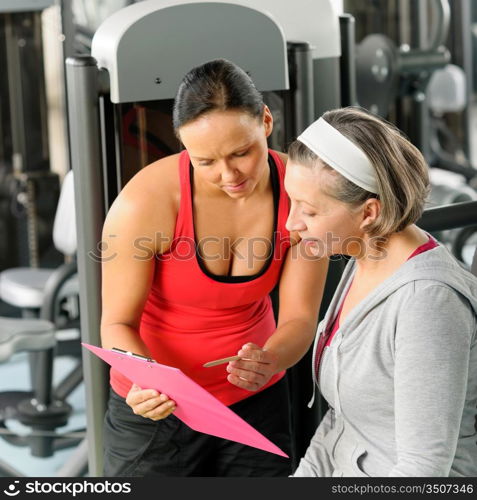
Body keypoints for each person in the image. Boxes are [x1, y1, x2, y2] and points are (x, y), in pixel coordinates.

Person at [99, 58, 328, 477]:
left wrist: (271, 359)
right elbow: (116, 323)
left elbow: (299, 318)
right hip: (156, 407)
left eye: (242, 152)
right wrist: (145, 380)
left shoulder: (302, 193)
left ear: (266, 121)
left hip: (255, 402)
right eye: (205, 161)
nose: (228, 175)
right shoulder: (145, 202)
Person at [284, 107, 477, 477]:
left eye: (308, 210)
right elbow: (345, 423)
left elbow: (422, 471)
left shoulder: (428, 303)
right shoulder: (364, 258)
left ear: (368, 213)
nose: (292, 223)